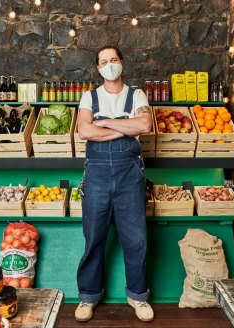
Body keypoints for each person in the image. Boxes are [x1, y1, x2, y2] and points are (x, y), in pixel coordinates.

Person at [74, 46, 154, 322]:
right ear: (98, 68)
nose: (110, 65)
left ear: (122, 63)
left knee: (136, 239)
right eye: (104, 62)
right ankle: (88, 296)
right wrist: (122, 127)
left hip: (129, 175)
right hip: (96, 174)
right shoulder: (89, 96)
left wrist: (104, 124)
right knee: (94, 237)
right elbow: (84, 130)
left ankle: (138, 296)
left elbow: (144, 126)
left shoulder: (137, 94)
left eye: (114, 60)